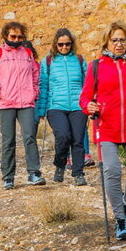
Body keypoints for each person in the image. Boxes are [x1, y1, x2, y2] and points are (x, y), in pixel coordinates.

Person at [81, 21, 126, 240]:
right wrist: (89, 106)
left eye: (123, 40)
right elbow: (85, 97)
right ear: (107, 42)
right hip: (107, 128)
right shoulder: (96, 66)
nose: (119, 44)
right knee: (111, 171)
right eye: (115, 40)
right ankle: (120, 219)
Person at [0, 21, 44, 190]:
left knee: (30, 137)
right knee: (8, 140)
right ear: (5, 36)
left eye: (19, 37)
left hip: (26, 102)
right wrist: (0, 93)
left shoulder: (28, 53)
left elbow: (35, 74)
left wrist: (34, 92)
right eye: (13, 36)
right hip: (6, 103)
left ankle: (34, 173)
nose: (16, 39)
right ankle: (8, 177)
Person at [36, 28, 88, 186]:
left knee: (78, 139)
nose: (64, 47)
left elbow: (87, 85)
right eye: (61, 45)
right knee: (63, 136)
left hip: (78, 106)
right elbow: (43, 86)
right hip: (56, 106)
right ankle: (60, 165)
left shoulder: (79, 60)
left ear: (72, 44)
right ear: (55, 44)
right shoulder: (48, 61)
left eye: (67, 44)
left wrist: (89, 104)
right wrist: (41, 109)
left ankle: (78, 173)